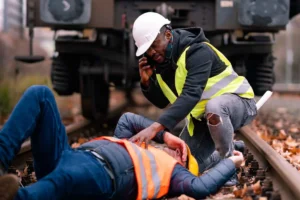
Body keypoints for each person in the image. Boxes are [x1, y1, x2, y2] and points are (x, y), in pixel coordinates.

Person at [0, 85, 244, 200]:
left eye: (183, 156)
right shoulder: (137, 144)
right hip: (66, 156)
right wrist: (165, 134)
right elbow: (128, 119)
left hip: (100, 176)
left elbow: (201, 187)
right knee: (40, 94)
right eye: (178, 149)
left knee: (65, 177)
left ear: (183, 165)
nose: (176, 152)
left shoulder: (174, 176)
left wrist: (233, 161)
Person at [130, 12, 257, 184]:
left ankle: (229, 169)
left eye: (154, 45)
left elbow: (191, 93)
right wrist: (146, 83)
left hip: (239, 103)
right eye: (148, 50)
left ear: (168, 34)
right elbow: (161, 101)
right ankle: (228, 154)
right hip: (202, 119)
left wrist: (154, 128)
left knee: (215, 107)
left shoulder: (198, 50)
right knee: (180, 167)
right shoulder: (161, 64)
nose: (152, 53)